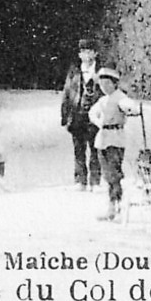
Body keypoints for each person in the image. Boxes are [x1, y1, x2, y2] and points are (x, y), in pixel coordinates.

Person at [87, 66, 141, 221]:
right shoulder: (103, 100)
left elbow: (131, 106)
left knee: (114, 174)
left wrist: (131, 109)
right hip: (103, 138)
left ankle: (116, 206)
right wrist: (99, 122)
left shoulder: (120, 97)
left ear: (114, 83)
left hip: (116, 139)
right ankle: (112, 205)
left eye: (107, 84)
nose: (104, 87)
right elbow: (92, 113)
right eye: (101, 85)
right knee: (107, 174)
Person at [59, 38, 103, 190]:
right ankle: (80, 180)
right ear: (79, 55)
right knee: (79, 148)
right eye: (83, 52)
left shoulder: (101, 71)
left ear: (95, 53)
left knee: (96, 148)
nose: (86, 55)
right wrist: (64, 116)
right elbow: (67, 93)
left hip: (96, 114)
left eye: (89, 51)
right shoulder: (75, 72)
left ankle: (95, 180)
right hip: (77, 113)